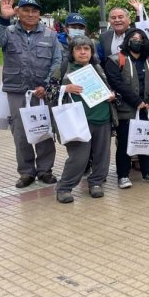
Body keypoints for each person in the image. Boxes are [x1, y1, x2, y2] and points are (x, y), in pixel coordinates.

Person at [0, 0, 61, 188]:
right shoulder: (8, 32)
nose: (30, 14)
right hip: (16, 91)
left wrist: (46, 85)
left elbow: (57, 62)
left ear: (39, 14)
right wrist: (3, 19)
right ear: (18, 12)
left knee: (43, 130)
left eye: (34, 11)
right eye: (26, 10)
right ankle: (26, 172)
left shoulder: (50, 35)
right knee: (20, 133)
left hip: (41, 92)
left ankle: (45, 170)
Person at [47, 36, 116, 203]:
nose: (83, 52)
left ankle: (96, 183)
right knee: (79, 158)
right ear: (72, 52)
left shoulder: (98, 67)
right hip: (77, 122)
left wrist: (112, 96)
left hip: (102, 118)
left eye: (87, 49)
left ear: (92, 52)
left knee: (102, 155)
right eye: (79, 49)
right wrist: (66, 88)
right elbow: (49, 91)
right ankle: (64, 187)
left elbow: (111, 89)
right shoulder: (63, 68)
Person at [104, 28, 149, 188]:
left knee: (145, 140)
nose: (137, 41)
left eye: (141, 39)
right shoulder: (116, 60)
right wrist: (136, 101)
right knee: (124, 143)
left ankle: (147, 172)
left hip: (148, 109)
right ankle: (123, 175)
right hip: (127, 109)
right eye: (134, 38)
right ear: (127, 40)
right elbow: (117, 83)